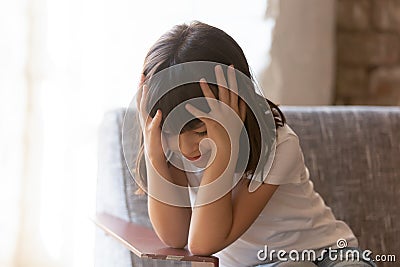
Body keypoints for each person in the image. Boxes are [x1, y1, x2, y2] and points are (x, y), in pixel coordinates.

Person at [134, 21, 376, 267]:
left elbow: (201, 244)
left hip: (326, 252)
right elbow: (178, 239)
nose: (186, 148)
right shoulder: (172, 149)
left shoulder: (280, 144)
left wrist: (225, 148)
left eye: (201, 131)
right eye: (169, 131)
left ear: (235, 100)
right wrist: (155, 157)